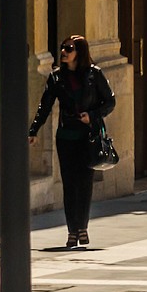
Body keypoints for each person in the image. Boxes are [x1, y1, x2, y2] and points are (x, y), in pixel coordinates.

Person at [28, 35, 115, 250]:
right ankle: (71, 231)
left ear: (79, 52)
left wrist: (92, 116)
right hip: (66, 137)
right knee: (69, 184)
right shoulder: (56, 78)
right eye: (63, 48)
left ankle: (82, 227)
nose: (64, 52)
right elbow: (45, 105)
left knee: (84, 183)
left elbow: (110, 101)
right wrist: (33, 130)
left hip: (88, 137)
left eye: (69, 48)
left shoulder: (94, 75)